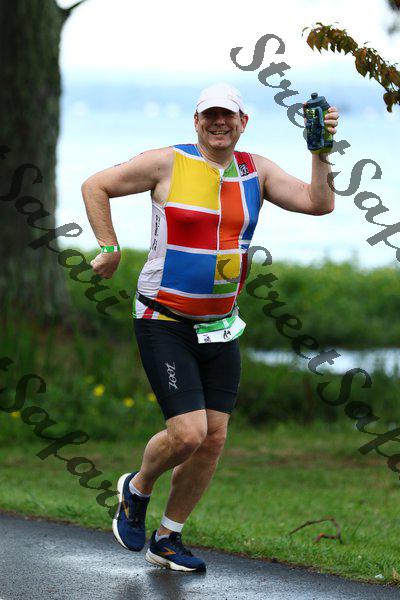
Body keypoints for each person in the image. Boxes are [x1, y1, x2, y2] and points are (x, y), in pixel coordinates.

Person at [81, 82, 339, 573]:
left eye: (229, 116)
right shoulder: (167, 163)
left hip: (220, 325)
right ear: (196, 121)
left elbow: (318, 203)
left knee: (213, 439)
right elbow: (96, 185)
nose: (220, 123)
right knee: (188, 434)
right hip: (164, 318)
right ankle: (137, 488)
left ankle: (167, 538)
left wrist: (320, 151)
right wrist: (110, 248)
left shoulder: (256, 171)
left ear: (243, 123)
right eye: (210, 115)